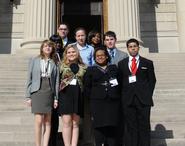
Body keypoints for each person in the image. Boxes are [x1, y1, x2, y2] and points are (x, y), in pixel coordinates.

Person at [118, 38, 156, 146]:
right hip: (128, 100)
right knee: (131, 126)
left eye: (135, 46)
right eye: (130, 47)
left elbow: (152, 81)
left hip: (143, 100)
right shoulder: (122, 64)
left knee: (144, 126)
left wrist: (147, 94)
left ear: (138, 47)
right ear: (127, 49)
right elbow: (120, 81)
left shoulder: (147, 63)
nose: (133, 48)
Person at [83, 46, 121, 146]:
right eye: (97, 56)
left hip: (112, 102)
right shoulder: (90, 70)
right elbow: (87, 88)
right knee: (99, 127)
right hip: (97, 103)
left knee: (112, 127)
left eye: (102, 55)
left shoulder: (114, 68)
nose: (100, 57)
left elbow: (120, 84)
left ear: (107, 56)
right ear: (94, 58)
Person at [25, 40, 59, 146]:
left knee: (48, 121)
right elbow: (29, 78)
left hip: (49, 91)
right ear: (42, 48)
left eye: (49, 46)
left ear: (52, 48)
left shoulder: (55, 62)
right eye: (45, 46)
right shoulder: (34, 60)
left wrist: (56, 98)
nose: (47, 48)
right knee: (39, 120)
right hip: (37, 91)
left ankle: (45, 144)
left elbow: (57, 81)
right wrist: (28, 96)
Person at [58, 45, 87, 146]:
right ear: (66, 54)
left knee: (75, 124)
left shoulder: (84, 66)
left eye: (73, 52)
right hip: (65, 95)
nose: (71, 54)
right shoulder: (60, 66)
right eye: (69, 52)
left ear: (77, 53)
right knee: (66, 123)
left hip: (78, 96)